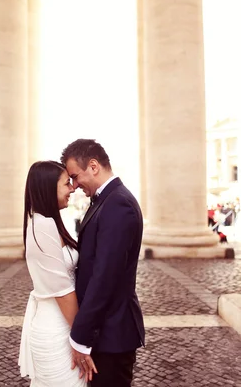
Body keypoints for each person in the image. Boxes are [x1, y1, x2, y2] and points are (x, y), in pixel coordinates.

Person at [61, 139, 145, 386]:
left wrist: (80, 335)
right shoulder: (107, 200)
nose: (74, 186)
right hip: (105, 332)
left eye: (75, 177)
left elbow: (104, 277)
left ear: (94, 166)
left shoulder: (117, 204)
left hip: (112, 334)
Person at [18, 161, 95, 385]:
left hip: (59, 323)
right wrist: (82, 341)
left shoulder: (46, 222)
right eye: (66, 184)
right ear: (47, 188)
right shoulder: (43, 226)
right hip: (56, 329)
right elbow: (62, 291)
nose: (72, 188)